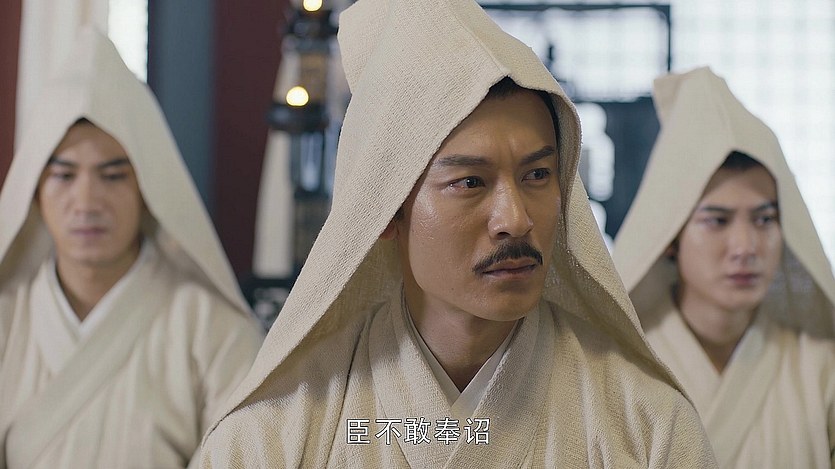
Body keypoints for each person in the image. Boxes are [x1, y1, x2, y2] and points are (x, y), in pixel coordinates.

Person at [201, 0, 717, 467]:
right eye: (470, 182)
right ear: (387, 210)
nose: (516, 219)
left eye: (538, 175)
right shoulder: (276, 436)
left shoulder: (645, 426)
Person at [0, 28, 264, 468]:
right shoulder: (8, 319)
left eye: (113, 176)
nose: (87, 202)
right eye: (64, 176)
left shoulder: (213, 328)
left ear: (147, 189)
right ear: (35, 192)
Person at [613, 67, 835, 468]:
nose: (746, 247)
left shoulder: (820, 369)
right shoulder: (622, 367)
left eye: (764, 219)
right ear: (670, 237)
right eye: (717, 220)